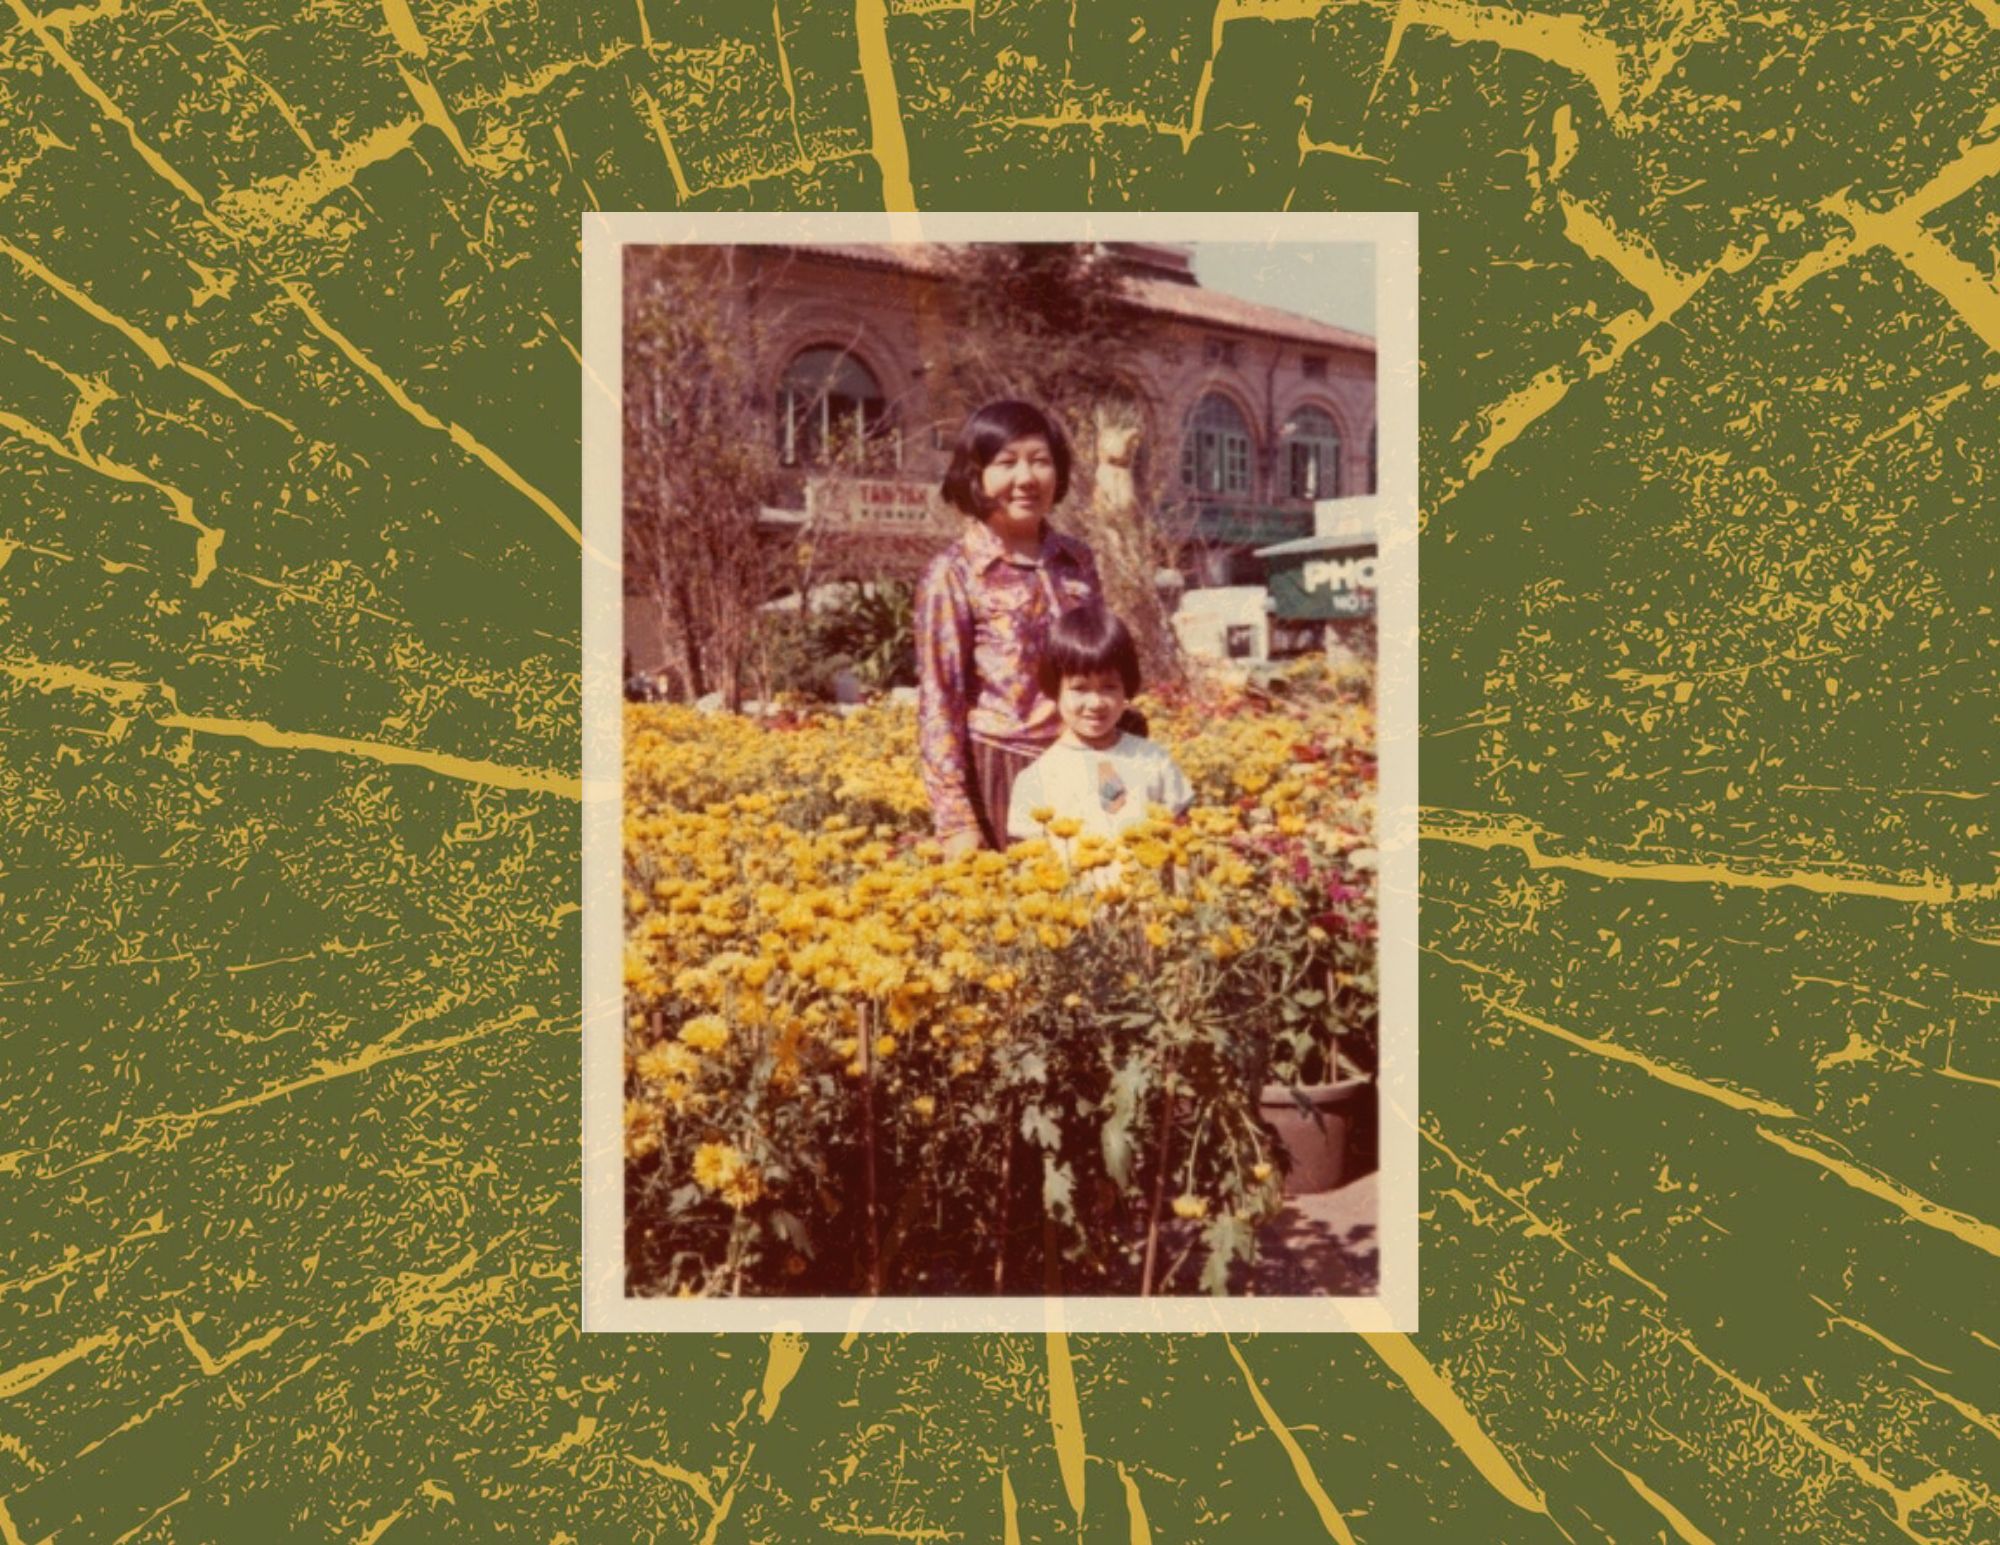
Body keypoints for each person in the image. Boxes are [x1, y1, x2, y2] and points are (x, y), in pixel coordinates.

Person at [917, 400, 1103, 855]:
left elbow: (1100, 664)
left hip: (1083, 762)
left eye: (1040, 461)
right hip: (1002, 770)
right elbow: (939, 700)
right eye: (1007, 463)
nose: (1026, 479)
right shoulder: (954, 573)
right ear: (975, 474)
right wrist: (955, 818)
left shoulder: (1077, 561)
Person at [1006, 605, 1192, 850]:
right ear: (1055, 689)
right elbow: (1031, 866)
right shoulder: (1038, 778)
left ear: (1127, 686)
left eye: (1109, 687)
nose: (1095, 703)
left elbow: (1183, 841)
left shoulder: (1153, 761)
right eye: (1080, 688)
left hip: (1148, 887)